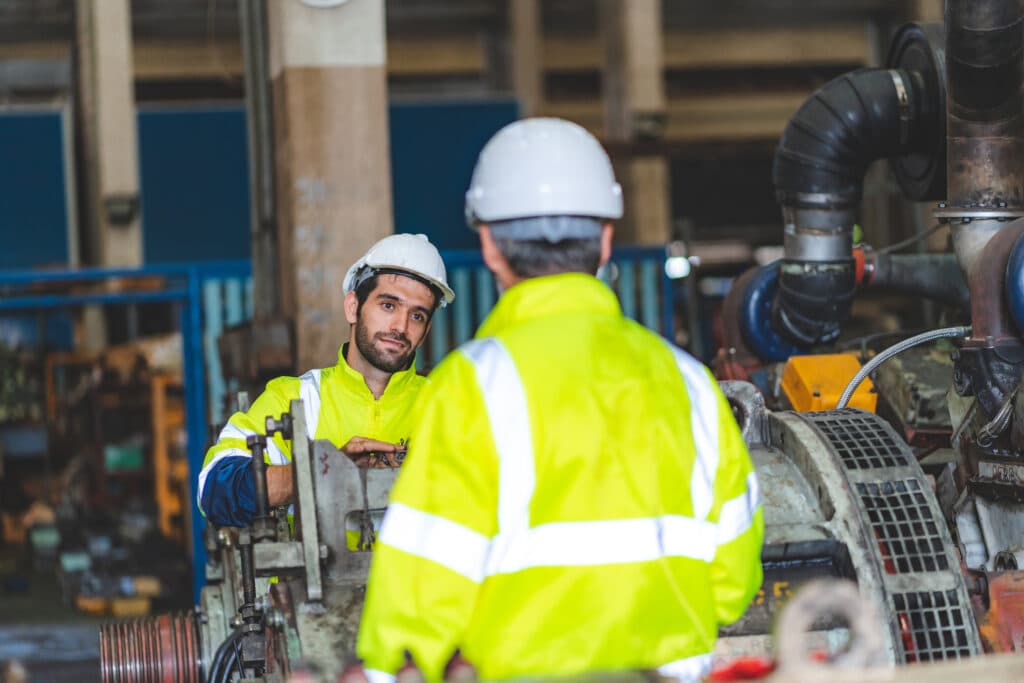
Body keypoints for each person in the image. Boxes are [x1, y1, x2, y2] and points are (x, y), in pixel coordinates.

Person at [357, 119, 763, 683]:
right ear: (604, 240)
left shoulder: (473, 384)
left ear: (490, 247)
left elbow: (420, 597)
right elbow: (732, 583)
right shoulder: (690, 383)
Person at [197, 233, 454, 528]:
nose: (400, 326)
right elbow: (213, 488)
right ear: (353, 307)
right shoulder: (296, 398)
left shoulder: (448, 406)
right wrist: (317, 474)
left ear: (427, 329)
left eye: (417, 316)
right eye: (388, 305)